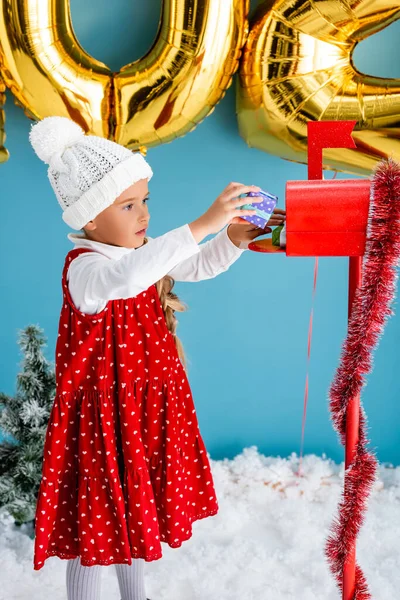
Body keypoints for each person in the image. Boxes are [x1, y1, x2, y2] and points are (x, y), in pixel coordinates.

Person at [29, 116, 285, 600]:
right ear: (89, 219)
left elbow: (196, 264)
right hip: (104, 419)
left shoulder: (142, 248)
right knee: (99, 523)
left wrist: (232, 238)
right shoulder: (87, 268)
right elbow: (125, 281)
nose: (143, 214)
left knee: (135, 510)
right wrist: (200, 224)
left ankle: (136, 596)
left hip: (145, 408)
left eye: (145, 200)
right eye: (128, 205)